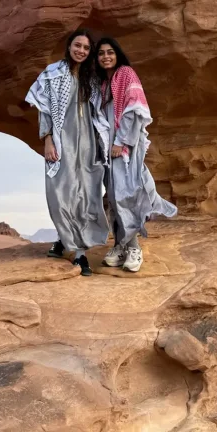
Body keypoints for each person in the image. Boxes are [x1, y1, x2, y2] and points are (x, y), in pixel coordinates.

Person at [25, 28, 111, 276]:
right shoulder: (53, 73)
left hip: (88, 143)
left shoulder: (92, 79)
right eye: (78, 46)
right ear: (69, 46)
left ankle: (75, 250)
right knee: (61, 193)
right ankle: (71, 245)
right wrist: (48, 140)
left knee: (86, 193)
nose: (81, 51)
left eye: (86, 48)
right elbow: (44, 111)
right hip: (63, 141)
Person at [94, 36, 178, 273]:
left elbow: (134, 112)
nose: (106, 57)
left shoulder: (126, 75)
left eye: (110, 52)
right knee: (112, 196)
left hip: (125, 147)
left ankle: (133, 248)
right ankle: (120, 244)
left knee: (126, 194)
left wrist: (122, 142)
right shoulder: (102, 83)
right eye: (101, 53)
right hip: (107, 148)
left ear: (117, 54)